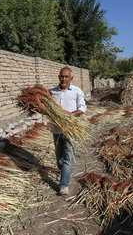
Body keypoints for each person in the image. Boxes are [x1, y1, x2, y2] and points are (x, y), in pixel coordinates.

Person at [50, 67, 87, 195]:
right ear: (59, 77)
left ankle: (63, 185)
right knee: (59, 159)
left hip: (71, 130)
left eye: (66, 77)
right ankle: (63, 170)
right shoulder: (51, 92)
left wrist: (69, 115)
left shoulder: (77, 91)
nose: (64, 79)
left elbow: (82, 108)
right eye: (62, 76)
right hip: (56, 129)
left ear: (71, 78)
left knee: (68, 158)